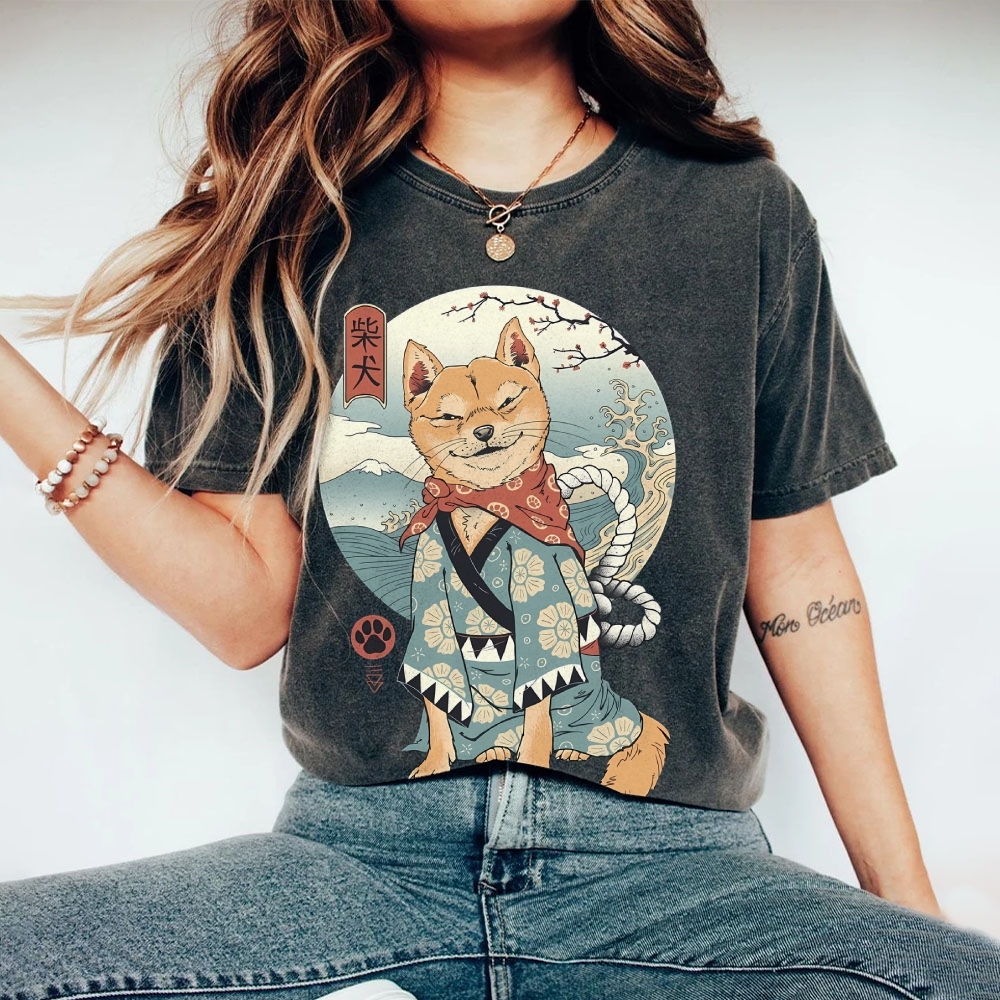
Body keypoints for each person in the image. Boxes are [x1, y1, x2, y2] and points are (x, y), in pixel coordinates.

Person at [1, 1, 999, 998]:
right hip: (358, 863)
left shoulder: (740, 209)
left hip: (674, 870)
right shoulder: (284, 223)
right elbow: (244, 613)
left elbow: (802, 568)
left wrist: (904, 913)